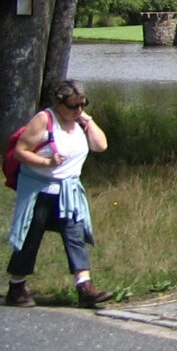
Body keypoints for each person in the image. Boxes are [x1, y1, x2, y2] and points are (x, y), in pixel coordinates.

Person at [7, 79, 113, 307]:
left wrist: (88, 121)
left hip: (68, 193)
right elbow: (20, 152)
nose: (78, 110)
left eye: (82, 104)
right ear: (59, 102)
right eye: (72, 106)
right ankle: (16, 287)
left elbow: (100, 146)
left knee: (75, 237)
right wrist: (46, 161)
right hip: (40, 191)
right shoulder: (44, 120)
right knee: (30, 239)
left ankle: (85, 288)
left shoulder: (80, 122)